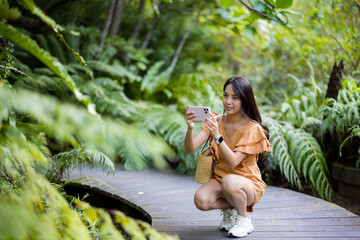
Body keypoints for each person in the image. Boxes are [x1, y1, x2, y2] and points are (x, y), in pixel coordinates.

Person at [184, 76, 271, 238]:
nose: (228, 101)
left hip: (247, 184)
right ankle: (231, 209)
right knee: (201, 200)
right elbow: (190, 148)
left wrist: (217, 136)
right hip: (220, 181)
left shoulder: (252, 128)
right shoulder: (215, 120)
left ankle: (244, 219)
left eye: (235, 97)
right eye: (225, 95)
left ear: (245, 100)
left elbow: (233, 163)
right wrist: (190, 128)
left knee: (229, 181)